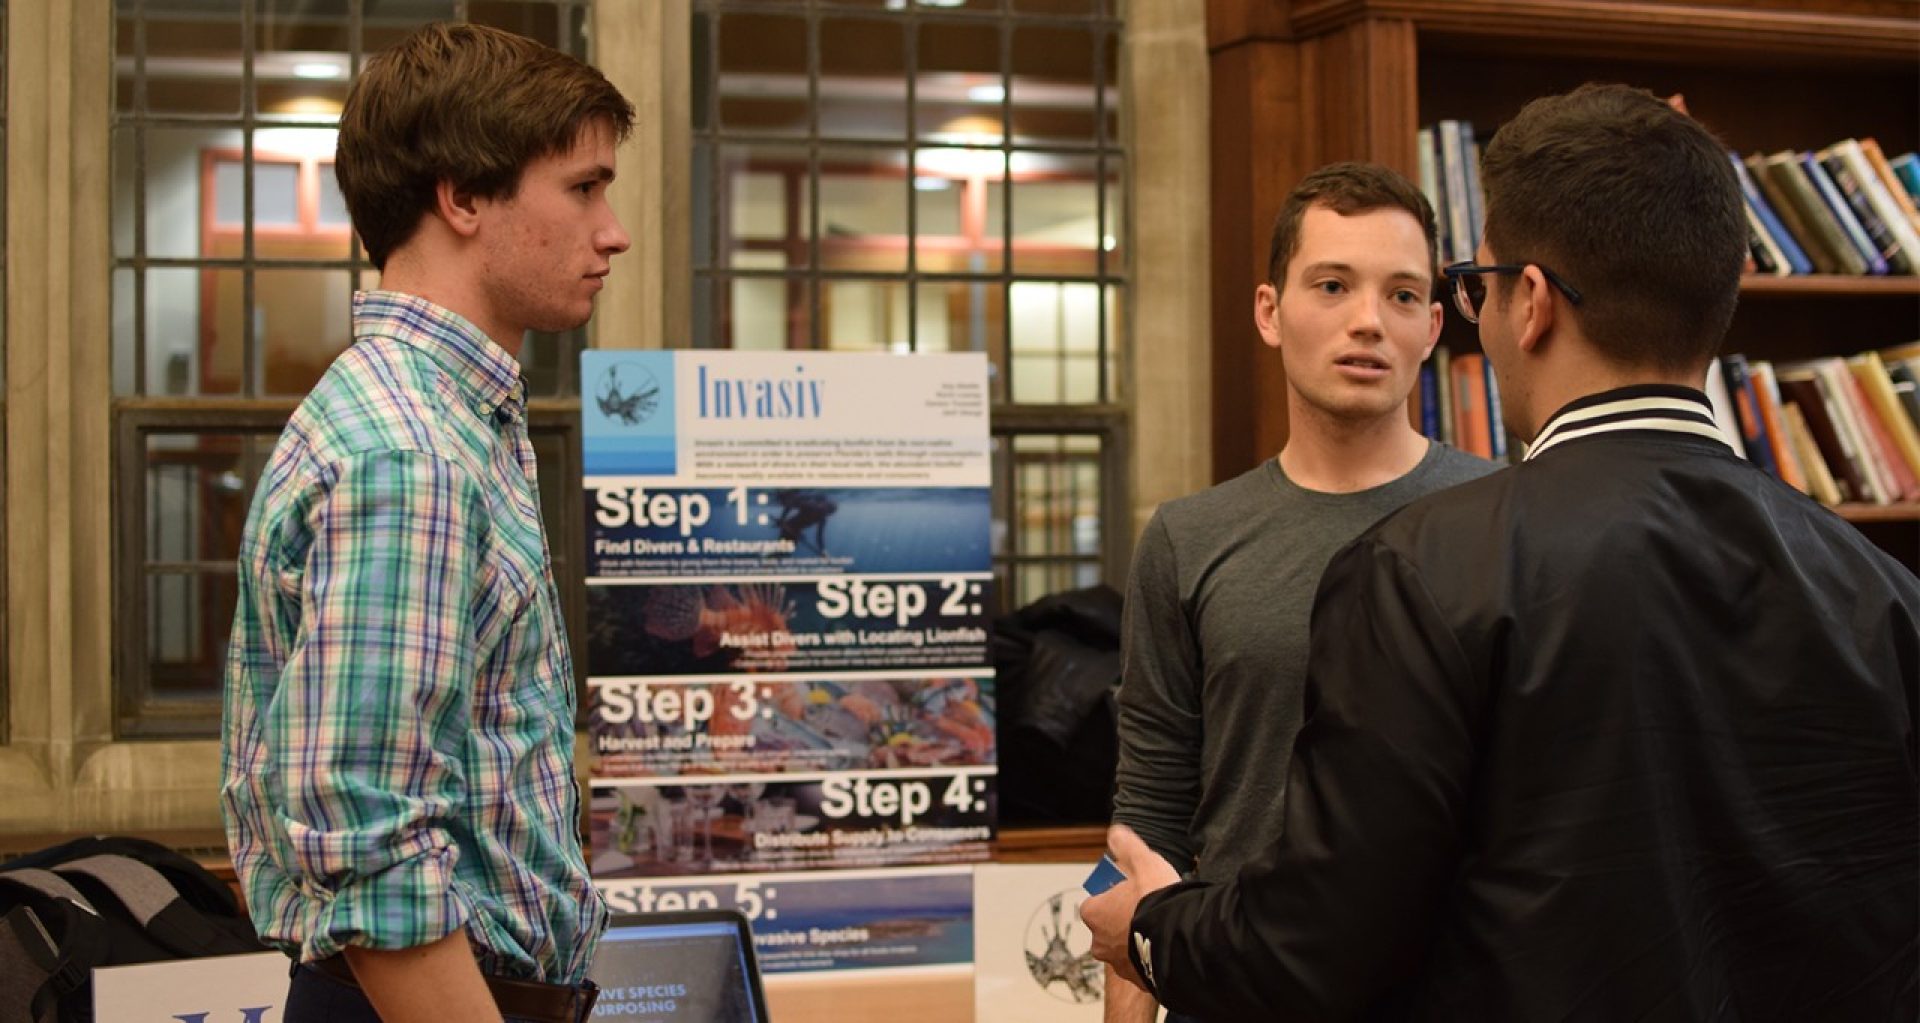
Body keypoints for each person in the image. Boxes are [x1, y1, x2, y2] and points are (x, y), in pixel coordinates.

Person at [1085, 83, 1920, 1021]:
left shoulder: (1425, 565)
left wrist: (1151, 931)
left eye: (1455, 286)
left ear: (1527, 303)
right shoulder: (1885, 592)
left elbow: (1327, 940)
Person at [220, 23, 632, 1023]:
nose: (613, 228)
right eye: (582, 188)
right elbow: (364, 829)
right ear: (461, 197)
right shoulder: (410, 453)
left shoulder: (441, 416)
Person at [1105, 162, 1497, 1023]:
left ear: (1433, 326)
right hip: (1234, 993)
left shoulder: (1509, 516)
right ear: (1269, 312)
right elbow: (1149, 819)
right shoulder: (1187, 537)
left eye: (1401, 296)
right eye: (1332, 284)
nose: (1368, 321)